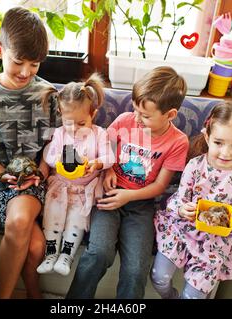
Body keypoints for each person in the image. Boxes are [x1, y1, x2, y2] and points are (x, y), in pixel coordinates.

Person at [67, 66, 190, 299]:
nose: (136, 118)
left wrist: (128, 196)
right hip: (108, 195)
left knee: (135, 269)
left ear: (170, 115)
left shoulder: (178, 142)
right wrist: (109, 169)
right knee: (99, 254)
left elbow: (160, 186)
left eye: (145, 115)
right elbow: (105, 151)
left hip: (140, 204)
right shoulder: (125, 121)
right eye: (135, 110)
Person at [0, 7, 61, 299]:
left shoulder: (48, 94)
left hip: (34, 179)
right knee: (34, 246)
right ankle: (33, 293)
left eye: (35, 64)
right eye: (18, 62)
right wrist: (1, 173)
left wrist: (41, 175)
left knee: (19, 220)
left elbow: (55, 144)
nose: (25, 72)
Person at [151, 102, 232, 299]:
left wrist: (229, 221)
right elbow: (179, 199)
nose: (226, 153)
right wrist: (183, 209)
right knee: (159, 278)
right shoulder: (195, 165)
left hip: (214, 245)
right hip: (181, 230)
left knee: (193, 296)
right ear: (208, 137)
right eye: (219, 143)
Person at [36, 73, 115, 276]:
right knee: (52, 217)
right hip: (60, 186)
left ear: (93, 114)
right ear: (61, 113)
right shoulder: (60, 133)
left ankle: (66, 256)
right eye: (69, 123)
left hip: (84, 190)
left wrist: (97, 164)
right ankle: (50, 254)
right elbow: (50, 156)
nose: (74, 129)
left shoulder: (99, 134)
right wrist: (60, 161)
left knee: (76, 220)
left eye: (81, 123)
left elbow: (109, 157)